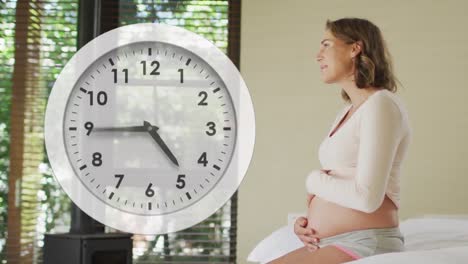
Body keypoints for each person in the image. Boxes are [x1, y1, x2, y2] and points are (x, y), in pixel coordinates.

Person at [267, 18, 412, 263]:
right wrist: (306, 219)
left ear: (355, 48)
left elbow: (366, 198)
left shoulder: (381, 105)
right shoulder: (347, 112)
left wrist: (313, 181)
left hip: (364, 242)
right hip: (331, 241)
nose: (318, 55)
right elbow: (344, 177)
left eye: (326, 45)